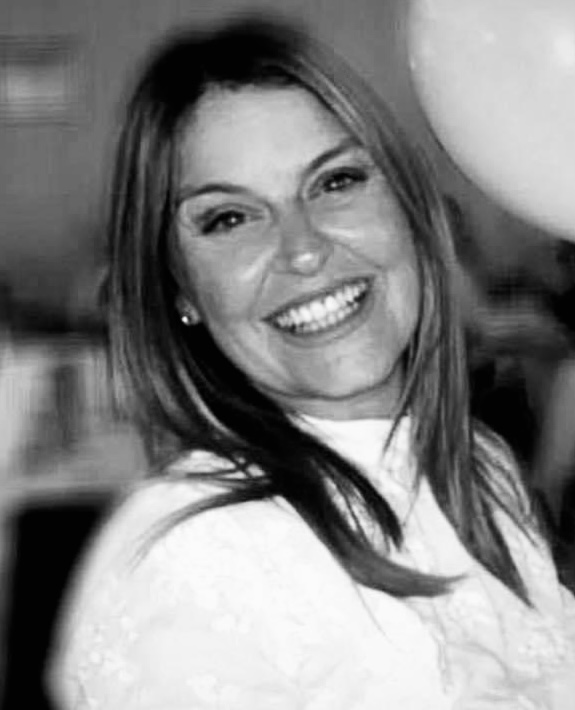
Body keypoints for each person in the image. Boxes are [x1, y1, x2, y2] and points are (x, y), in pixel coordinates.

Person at [47, 16, 575, 709]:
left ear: (412, 211)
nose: (302, 249)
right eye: (230, 218)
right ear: (181, 292)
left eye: (335, 181)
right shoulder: (193, 559)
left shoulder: (482, 469)